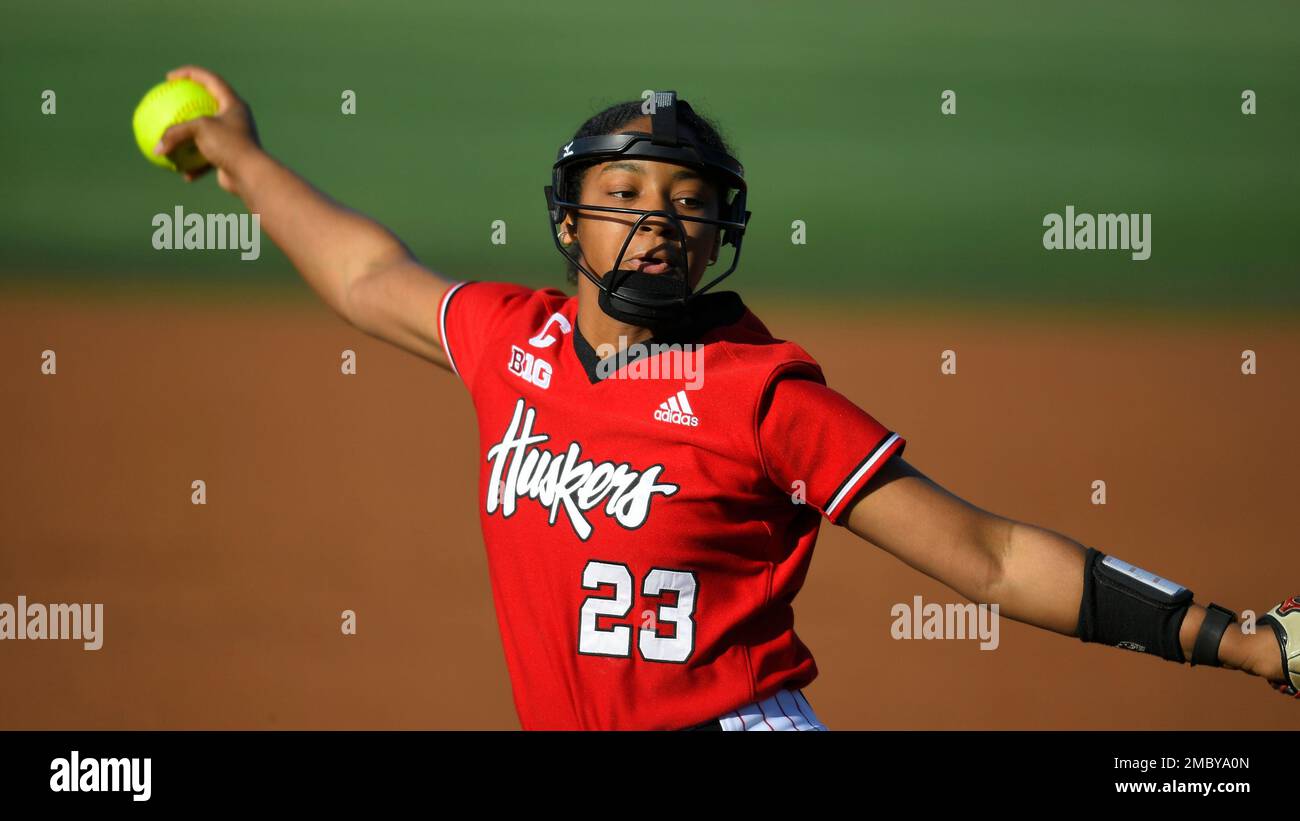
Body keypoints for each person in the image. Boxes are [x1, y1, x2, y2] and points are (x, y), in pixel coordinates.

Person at [154, 65, 1299, 730]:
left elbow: (988, 555)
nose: (655, 213)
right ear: (568, 221)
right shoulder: (515, 343)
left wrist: (1232, 639)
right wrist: (242, 158)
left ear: (716, 236)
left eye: (685, 199)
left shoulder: (762, 397)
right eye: (623, 189)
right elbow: (364, 276)